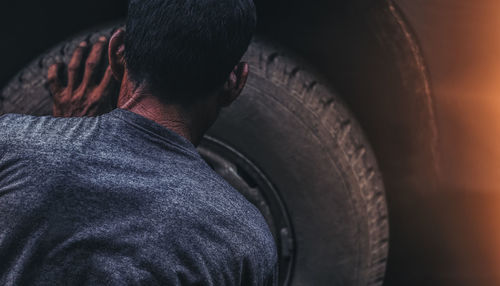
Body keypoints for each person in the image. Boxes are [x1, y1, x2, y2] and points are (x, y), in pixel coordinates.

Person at [0, 0, 278, 285]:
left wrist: (65, 138)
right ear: (236, 82)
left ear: (118, 50)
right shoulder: (244, 240)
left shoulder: (10, 146)